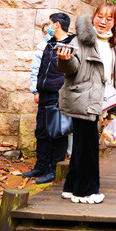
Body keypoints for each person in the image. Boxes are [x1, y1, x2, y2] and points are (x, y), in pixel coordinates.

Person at [56, 2, 116, 204]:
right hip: (84, 98)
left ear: (114, 23)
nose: (103, 22)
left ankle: (71, 187)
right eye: (100, 16)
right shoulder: (82, 41)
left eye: (109, 19)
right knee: (88, 146)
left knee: (82, 144)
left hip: (101, 100)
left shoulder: (114, 44)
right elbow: (72, 67)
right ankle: (86, 191)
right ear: (93, 17)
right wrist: (64, 60)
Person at [23, 12, 74, 184]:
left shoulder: (71, 45)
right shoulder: (48, 45)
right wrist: (35, 89)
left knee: (57, 133)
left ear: (57, 25)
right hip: (44, 93)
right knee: (41, 131)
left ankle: (54, 169)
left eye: (51, 23)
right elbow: (38, 68)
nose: (49, 27)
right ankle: (41, 165)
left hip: (59, 95)